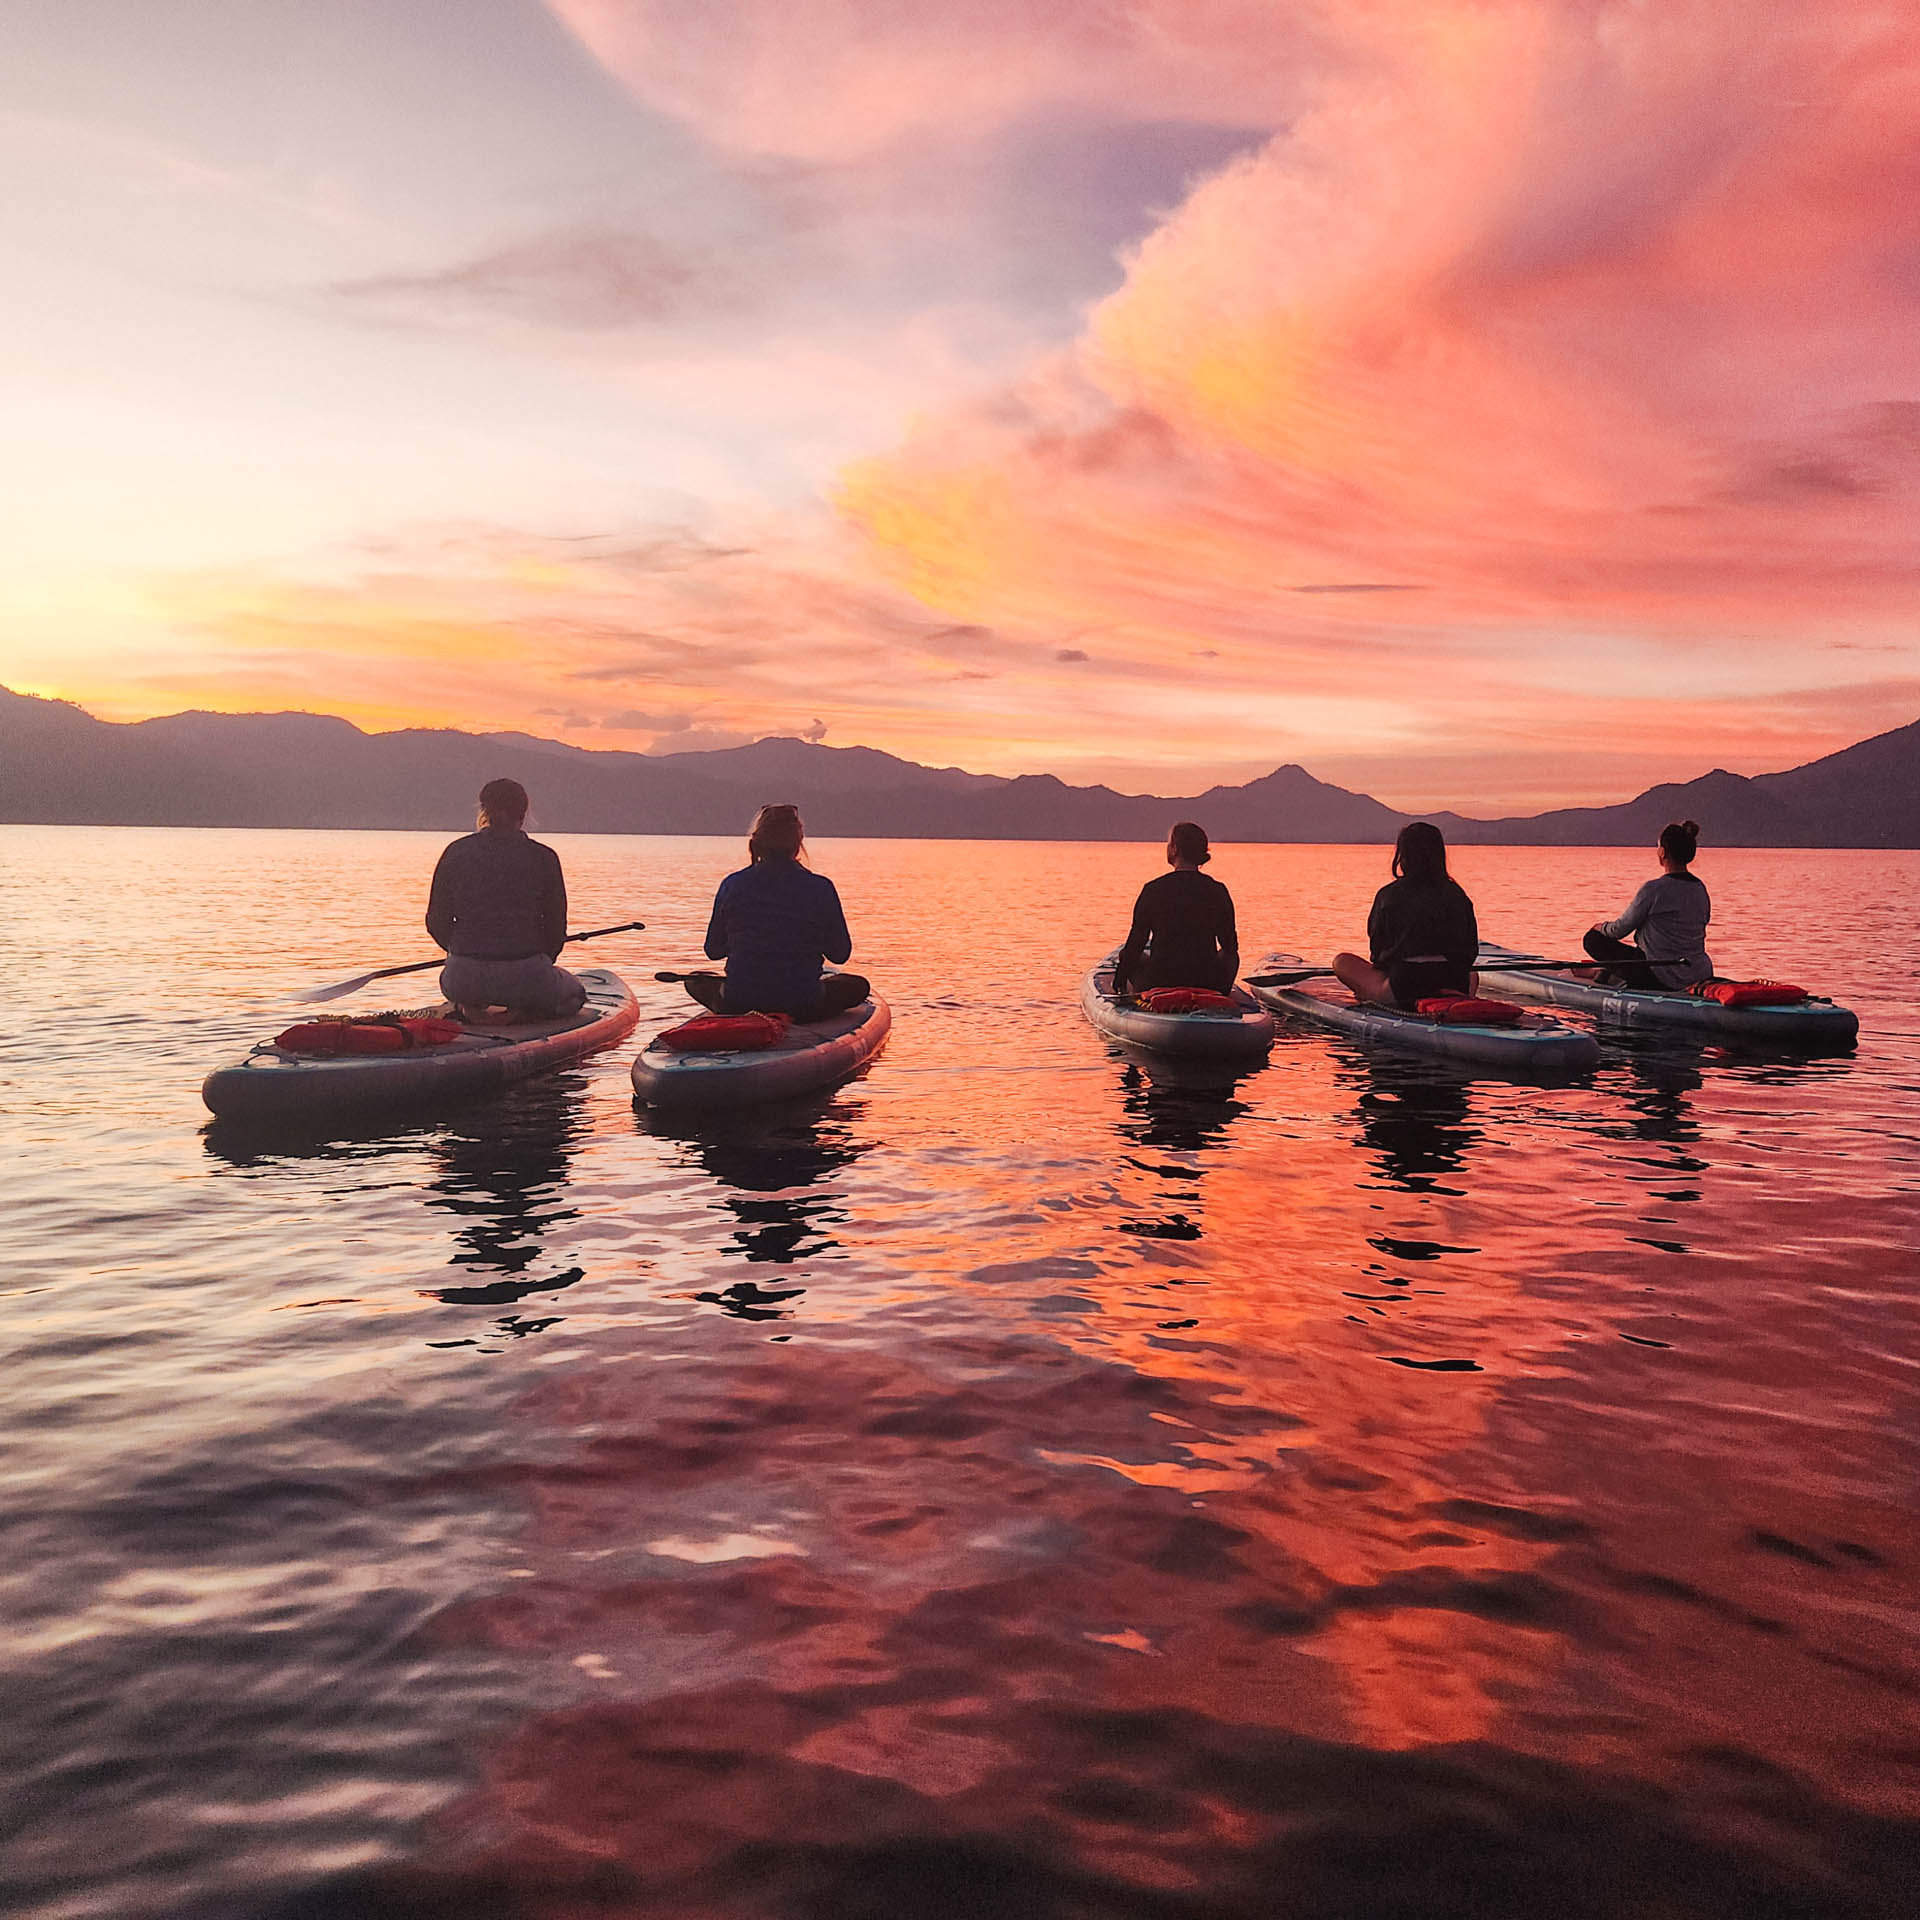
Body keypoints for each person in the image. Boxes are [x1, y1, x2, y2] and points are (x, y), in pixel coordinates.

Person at [683, 804, 870, 1022]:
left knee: (694, 979)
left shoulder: (732, 884)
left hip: (738, 1002)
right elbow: (840, 954)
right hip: (803, 1003)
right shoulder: (820, 887)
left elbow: (713, 950)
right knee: (858, 986)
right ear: (797, 845)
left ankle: (730, 1009)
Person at [426, 778, 587, 1020]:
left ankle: (470, 1009)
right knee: (577, 994)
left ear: (484, 810)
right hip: (527, 975)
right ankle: (519, 1014)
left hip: (462, 978)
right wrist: (539, 960)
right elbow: (556, 927)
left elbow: (436, 921)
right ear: (522, 813)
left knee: (464, 981)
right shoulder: (544, 857)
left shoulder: (455, 852)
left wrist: (460, 951)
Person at [1334, 821, 1478, 1008]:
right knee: (1473, 975)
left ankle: (1371, 994)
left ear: (1403, 855)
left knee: (1342, 961)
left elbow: (1377, 951)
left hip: (1405, 985)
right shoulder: (1458, 895)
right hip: (1455, 982)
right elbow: (1469, 952)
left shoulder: (1389, 895)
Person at [1112, 821, 1240, 995]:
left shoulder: (1153, 889)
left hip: (1159, 981)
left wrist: (1120, 979)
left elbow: (1136, 942)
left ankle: (1135, 994)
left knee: (1125, 954)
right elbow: (1230, 946)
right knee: (1231, 956)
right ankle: (1221, 995)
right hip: (1206, 981)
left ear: (1174, 849)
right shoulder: (1218, 890)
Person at [1582, 820, 1713, 990]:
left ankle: (1609, 974)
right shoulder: (1700, 888)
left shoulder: (1654, 889)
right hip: (1699, 972)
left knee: (1592, 939)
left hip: (1661, 975)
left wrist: (1600, 927)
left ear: (1663, 852)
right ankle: (1606, 973)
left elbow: (1619, 930)